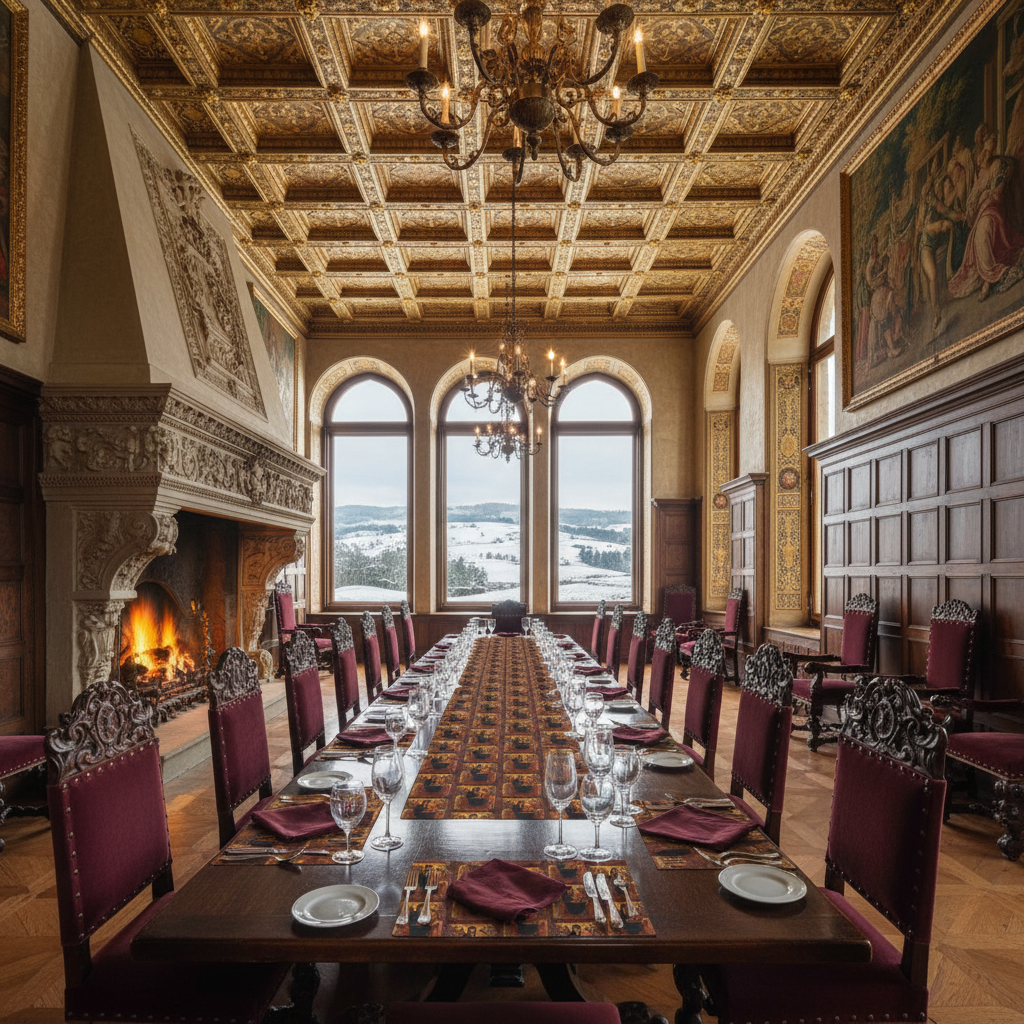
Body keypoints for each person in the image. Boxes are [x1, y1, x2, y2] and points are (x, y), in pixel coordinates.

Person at [948, 125, 1024, 301]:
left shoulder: (1000, 165)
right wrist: (974, 204)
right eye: (984, 150)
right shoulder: (981, 173)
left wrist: (984, 196)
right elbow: (973, 198)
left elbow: (996, 195)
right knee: (977, 235)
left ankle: (992, 277)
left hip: (993, 212)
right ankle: (988, 277)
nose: (984, 154)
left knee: (983, 232)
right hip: (983, 212)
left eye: (989, 148)